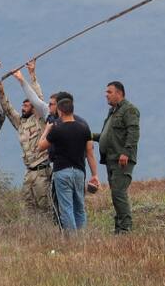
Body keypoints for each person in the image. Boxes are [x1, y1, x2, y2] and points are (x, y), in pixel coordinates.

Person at [37, 93, 99, 231]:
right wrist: (95, 175)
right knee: (79, 207)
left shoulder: (57, 129)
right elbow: (90, 153)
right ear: (72, 110)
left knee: (66, 208)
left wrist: (47, 130)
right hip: (79, 172)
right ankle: (81, 238)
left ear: (60, 110)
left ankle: (72, 241)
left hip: (62, 172)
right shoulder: (84, 128)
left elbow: (40, 146)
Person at [91, 81, 140, 234]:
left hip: (121, 159)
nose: (106, 95)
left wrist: (126, 152)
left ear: (119, 93)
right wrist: (89, 136)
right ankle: (119, 228)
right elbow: (108, 136)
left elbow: (133, 132)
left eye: (109, 92)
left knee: (119, 193)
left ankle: (125, 228)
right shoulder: (112, 112)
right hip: (110, 159)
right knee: (115, 194)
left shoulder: (129, 110)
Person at [1, 73, 53, 217]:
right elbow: (8, 110)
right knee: (28, 206)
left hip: (42, 170)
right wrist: (1, 92)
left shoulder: (40, 120)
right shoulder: (21, 123)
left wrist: (32, 77)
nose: (23, 108)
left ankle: (50, 234)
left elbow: (39, 100)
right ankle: (34, 234)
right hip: (29, 171)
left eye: (26, 105)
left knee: (45, 206)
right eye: (22, 105)